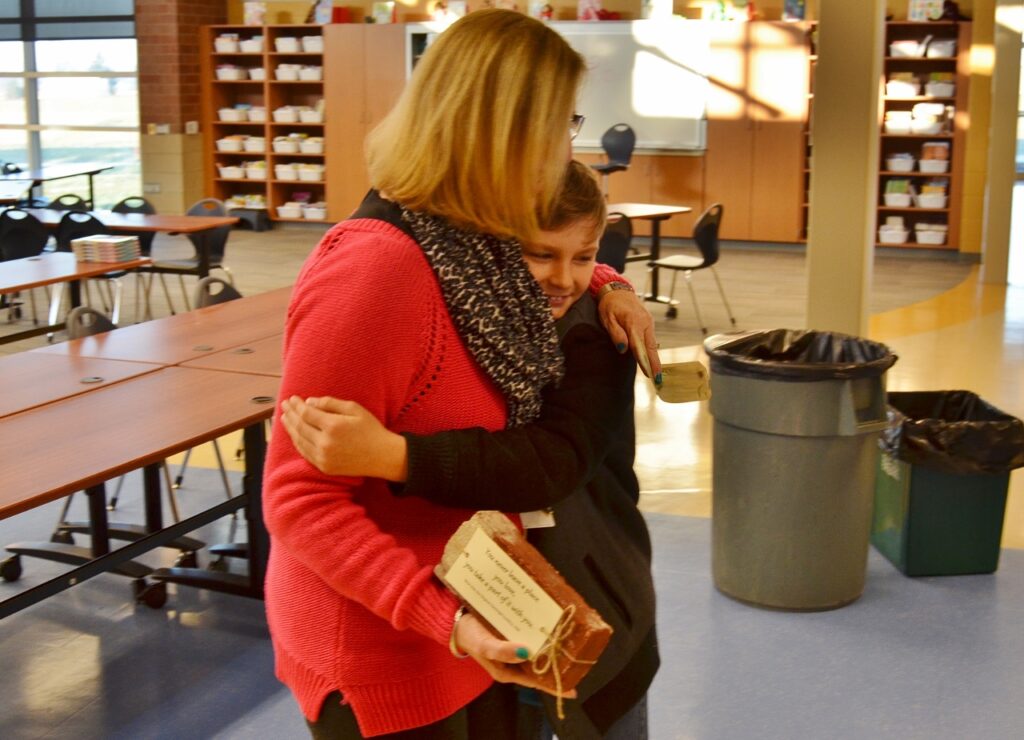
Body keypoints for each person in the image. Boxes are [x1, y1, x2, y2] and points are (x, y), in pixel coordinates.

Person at [263, 10, 659, 739]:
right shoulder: (379, 269)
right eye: (561, 126)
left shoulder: (474, 242)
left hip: (476, 626)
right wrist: (440, 618)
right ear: (505, 133)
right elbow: (299, 498)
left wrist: (608, 280)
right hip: (396, 648)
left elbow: (541, 279)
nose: (566, 148)